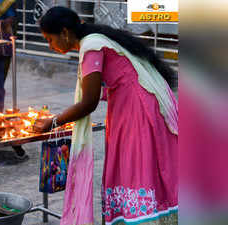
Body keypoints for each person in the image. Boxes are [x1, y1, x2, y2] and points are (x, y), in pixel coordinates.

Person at [34, 7, 178, 225]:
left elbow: (88, 102)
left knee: (137, 164)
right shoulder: (96, 40)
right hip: (137, 103)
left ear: (64, 32)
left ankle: (143, 217)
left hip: (138, 110)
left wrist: (53, 122)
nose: (50, 46)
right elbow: (118, 80)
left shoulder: (91, 45)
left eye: (50, 39)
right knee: (140, 163)